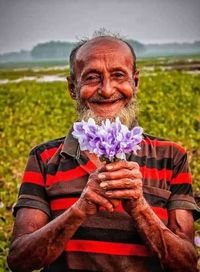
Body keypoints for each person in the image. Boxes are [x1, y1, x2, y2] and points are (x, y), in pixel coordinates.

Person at [8, 35, 199, 272]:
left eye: (118, 75)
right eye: (92, 77)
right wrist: (80, 208)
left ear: (135, 83)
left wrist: (139, 207)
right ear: (72, 88)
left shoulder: (172, 156)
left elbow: (187, 264)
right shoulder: (44, 158)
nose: (107, 90)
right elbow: (19, 260)